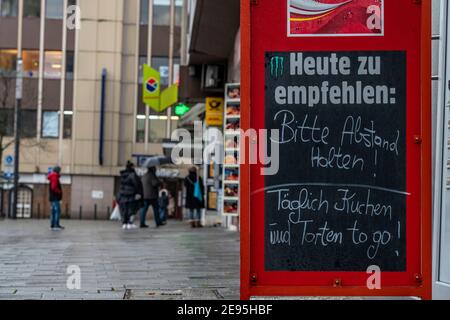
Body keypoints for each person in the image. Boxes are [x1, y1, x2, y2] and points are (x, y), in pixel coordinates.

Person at [119, 161, 143, 230]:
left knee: (125, 209)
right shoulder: (133, 175)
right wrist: (139, 193)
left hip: (123, 195)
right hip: (131, 194)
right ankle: (130, 223)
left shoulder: (123, 175)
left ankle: (124, 223)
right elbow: (137, 185)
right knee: (132, 209)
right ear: (132, 167)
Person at [48, 166, 64, 230]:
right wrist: (59, 192)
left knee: (54, 211)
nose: (60, 171)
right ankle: (56, 225)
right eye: (59, 170)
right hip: (55, 197)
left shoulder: (53, 176)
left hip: (53, 197)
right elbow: (54, 187)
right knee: (57, 211)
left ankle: (53, 224)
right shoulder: (54, 176)